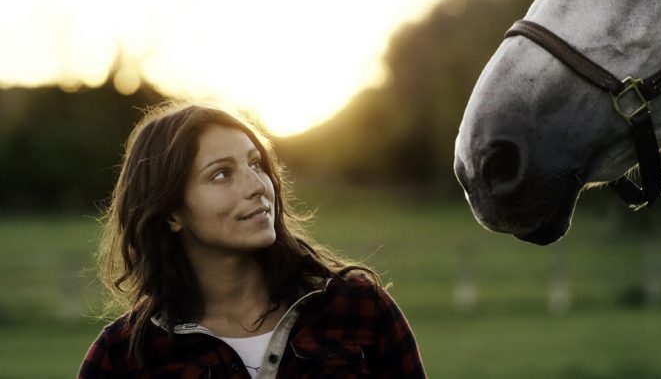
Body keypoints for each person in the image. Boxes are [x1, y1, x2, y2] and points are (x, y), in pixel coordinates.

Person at [78, 100, 427, 378]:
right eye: (221, 174)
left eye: (256, 165)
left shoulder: (359, 309)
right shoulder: (123, 357)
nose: (257, 186)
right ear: (171, 213)